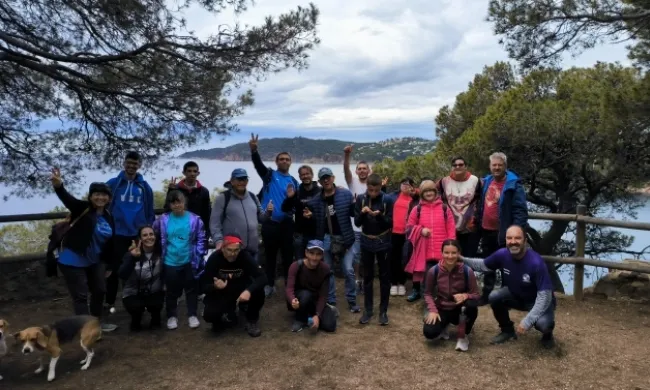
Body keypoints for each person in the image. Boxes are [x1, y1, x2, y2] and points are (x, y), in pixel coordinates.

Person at [461, 225, 556, 349]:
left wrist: (527, 321)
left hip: (538, 301)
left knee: (543, 324)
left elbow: (545, 297)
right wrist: (461, 259)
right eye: (509, 238)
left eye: (517, 238)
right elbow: (483, 265)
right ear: (505, 240)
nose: (513, 242)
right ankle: (507, 331)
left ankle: (547, 336)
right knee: (494, 296)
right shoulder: (502, 254)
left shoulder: (536, 263)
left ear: (525, 241)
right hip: (516, 296)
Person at [50, 168, 118, 333]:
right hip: (72, 259)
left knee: (100, 290)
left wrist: (108, 265)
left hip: (95, 260)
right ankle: (87, 329)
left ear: (109, 198)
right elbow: (68, 199)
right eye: (97, 194)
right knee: (80, 296)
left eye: (104, 195)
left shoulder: (108, 216)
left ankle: (96, 322)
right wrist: (59, 186)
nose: (100, 197)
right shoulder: (82, 208)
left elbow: (109, 243)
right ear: (90, 196)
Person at [248, 134, 299, 297]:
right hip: (270, 223)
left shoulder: (294, 181)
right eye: (281, 159)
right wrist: (254, 151)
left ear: (290, 162)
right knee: (269, 257)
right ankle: (269, 284)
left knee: (287, 257)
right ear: (277, 162)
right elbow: (258, 166)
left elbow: (296, 204)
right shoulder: (270, 176)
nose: (284, 161)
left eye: (287, 159)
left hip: (287, 224)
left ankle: (288, 286)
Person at [303, 167, 360, 313]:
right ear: (320, 181)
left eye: (328, 177)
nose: (326, 180)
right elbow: (312, 213)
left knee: (348, 270)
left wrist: (356, 205)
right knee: (328, 271)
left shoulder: (345, 194)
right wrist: (310, 215)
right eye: (323, 178)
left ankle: (352, 301)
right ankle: (331, 300)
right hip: (326, 239)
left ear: (333, 178)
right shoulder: (317, 200)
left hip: (345, 238)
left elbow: (354, 215)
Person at [475, 152, 528, 304]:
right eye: (494, 165)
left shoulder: (513, 184)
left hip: (505, 234)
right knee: (488, 264)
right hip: (486, 230)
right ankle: (486, 295)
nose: (497, 168)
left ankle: (507, 298)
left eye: (500, 165)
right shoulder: (486, 181)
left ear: (505, 166)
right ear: (490, 166)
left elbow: (520, 210)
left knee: (508, 267)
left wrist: (516, 232)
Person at [105, 151, 155, 314]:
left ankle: (137, 300)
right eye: (129, 163)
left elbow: (149, 211)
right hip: (117, 233)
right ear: (124, 163)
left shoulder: (144, 187)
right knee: (113, 269)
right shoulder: (113, 183)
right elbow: (100, 204)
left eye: (135, 163)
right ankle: (109, 303)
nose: (132, 166)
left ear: (139, 165)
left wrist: (148, 229)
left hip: (136, 234)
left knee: (138, 268)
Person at [154, 190, 207, 330]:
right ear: (170, 204)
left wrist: (199, 254)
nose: (177, 205)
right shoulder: (162, 220)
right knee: (171, 290)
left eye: (180, 202)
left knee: (191, 289)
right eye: (173, 202)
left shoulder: (195, 219)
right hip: (170, 260)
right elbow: (155, 235)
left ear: (185, 202)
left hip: (189, 260)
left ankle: (192, 314)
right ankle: (172, 316)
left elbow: (201, 238)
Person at [201, 235, 267, 337]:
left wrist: (248, 290)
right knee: (209, 314)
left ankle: (251, 320)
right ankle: (220, 320)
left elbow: (262, 277)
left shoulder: (244, 256)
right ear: (222, 248)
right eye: (229, 250)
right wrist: (215, 287)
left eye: (236, 250)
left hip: (241, 290)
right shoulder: (214, 259)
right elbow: (202, 286)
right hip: (222, 292)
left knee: (259, 291)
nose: (233, 254)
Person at [423, 240, 480, 352]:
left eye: (454, 253)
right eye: (446, 253)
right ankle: (443, 326)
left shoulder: (467, 271)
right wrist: (433, 310)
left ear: (459, 253)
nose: (450, 256)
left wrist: (465, 295)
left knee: (472, 305)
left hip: (459, 309)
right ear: (442, 253)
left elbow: (476, 295)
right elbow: (427, 293)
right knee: (429, 333)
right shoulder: (433, 271)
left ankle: (463, 335)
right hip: (442, 307)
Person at [404, 180, 456, 302]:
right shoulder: (417, 209)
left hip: (442, 252)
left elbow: (451, 228)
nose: (429, 193)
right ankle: (428, 306)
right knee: (427, 280)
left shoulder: (444, 208)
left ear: (435, 191)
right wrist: (420, 230)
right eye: (425, 191)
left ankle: (442, 305)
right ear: (422, 193)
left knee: (442, 280)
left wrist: (451, 247)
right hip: (424, 253)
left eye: (431, 190)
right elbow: (408, 228)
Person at [354, 174, 393, 325]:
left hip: (383, 241)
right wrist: (363, 213)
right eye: (371, 190)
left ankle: (383, 311)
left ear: (380, 188)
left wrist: (379, 216)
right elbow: (357, 223)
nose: (373, 193)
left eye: (376, 190)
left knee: (385, 277)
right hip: (366, 241)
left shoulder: (387, 199)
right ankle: (368, 310)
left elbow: (390, 223)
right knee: (368, 277)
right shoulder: (361, 199)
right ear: (367, 187)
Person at [210, 168, 272, 262]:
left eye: (244, 179)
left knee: (252, 276)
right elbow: (214, 224)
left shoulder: (252, 197)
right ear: (232, 181)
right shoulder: (222, 198)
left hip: (252, 251)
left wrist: (268, 212)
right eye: (239, 179)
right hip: (232, 251)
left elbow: (261, 218)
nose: (241, 182)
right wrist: (219, 242)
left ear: (247, 181)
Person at [285, 240, 337, 333]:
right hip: (298, 299)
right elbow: (289, 288)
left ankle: (312, 316)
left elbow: (323, 295)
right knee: (306, 295)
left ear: (322, 255)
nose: (314, 257)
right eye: (311, 253)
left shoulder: (325, 269)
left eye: (318, 254)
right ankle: (299, 319)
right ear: (306, 253)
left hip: (314, 300)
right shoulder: (296, 266)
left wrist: (317, 315)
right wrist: (292, 299)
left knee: (330, 326)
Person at [118, 225, 164, 331]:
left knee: (157, 304)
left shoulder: (161, 253)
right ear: (140, 239)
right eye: (145, 235)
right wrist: (132, 258)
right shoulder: (132, 253)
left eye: (151, 234)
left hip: (153, 291)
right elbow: (122, 274)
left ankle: (155, 318)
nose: (149, 237)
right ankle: (136, 319)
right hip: (133, 292)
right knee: (136, 309)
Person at [438, 156, 482, 257]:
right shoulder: (444, 182)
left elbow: (481, 198)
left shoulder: (475, 180)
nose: (458, 167)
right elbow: (430, 191)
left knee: (469, 257)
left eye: (461, 164)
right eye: (455, 165)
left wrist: (477, 217)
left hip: (471, 227)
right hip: (450, 227)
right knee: (453, 257)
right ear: (452, 168)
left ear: (466, 166)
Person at [386, 177, 419, 296]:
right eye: (403, 183)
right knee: (393, 258)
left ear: (412, 186)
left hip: (408, 234)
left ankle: (402, 283)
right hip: (394, 232)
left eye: (408, 184)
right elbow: (382, 199)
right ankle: (394, 283)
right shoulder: (393, 196)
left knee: (405, 258)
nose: (405, 185)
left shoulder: (415, 198)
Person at [281, 165, 321, 260]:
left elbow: (324, 214)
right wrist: (289, 198)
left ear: (312, 175)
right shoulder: (297, 192)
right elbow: (285, 208)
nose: (305, 176)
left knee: (314, 261)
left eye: (307, 174)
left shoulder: (320, 191)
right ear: (299, 177)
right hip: (299, 234)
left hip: (315, 234)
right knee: (300, 261)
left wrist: (312, 215)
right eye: (302, 175)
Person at [343, 144, 367, 295]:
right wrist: (347, 156)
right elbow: (346, 171)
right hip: (355, 228)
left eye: (365, 168)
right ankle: (358, 280)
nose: (362, 170)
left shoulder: (372, 185)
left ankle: (365, 280)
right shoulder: (352, 183)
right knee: (356, 256)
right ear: (356, 171)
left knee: (367, 256)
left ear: (369, 171)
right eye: (360, 168)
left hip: (371, 229)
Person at [166, 161, 212, 237]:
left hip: (197, 230)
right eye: (189, 171)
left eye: (195, 171)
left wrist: (207, 232)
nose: (192, 173)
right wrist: (170, 191)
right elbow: (168, 209)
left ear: (198, 173)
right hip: (178, 230)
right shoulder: (176, 189)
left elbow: (206, 213)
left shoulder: (204, 191)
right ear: (184, 173)